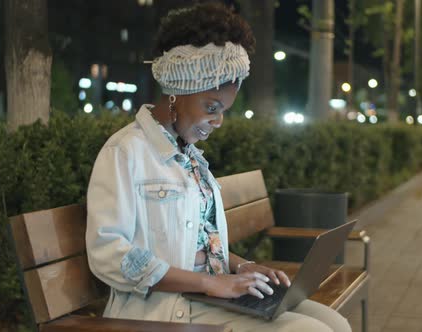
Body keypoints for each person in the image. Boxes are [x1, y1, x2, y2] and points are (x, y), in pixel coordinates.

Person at [85, 3, 351, 332]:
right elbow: (108, 254)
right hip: (162, 309)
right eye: (212, 107)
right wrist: (208, 284)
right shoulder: (125, 152)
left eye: (223, 109)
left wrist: (244, 267)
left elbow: (201, 243)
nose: (218, 120)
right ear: (177, 92)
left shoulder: (193, 160)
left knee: (333, 322)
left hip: (207, 298)